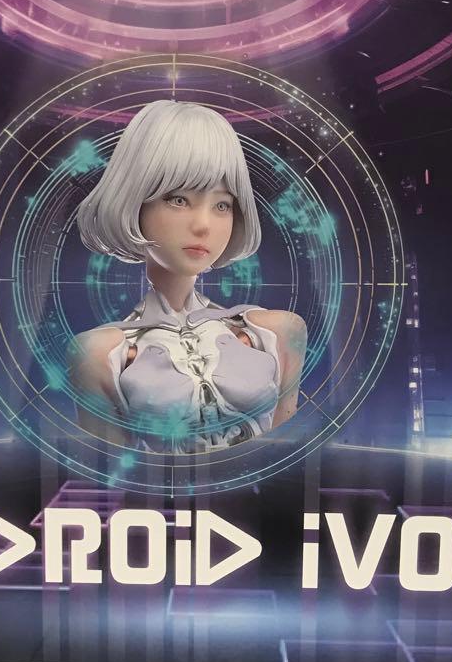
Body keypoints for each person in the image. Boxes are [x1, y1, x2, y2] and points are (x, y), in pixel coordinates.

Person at [68, 99, 306, 453]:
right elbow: (115, 473)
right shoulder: (99, 352)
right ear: (135, 202)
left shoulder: (278, 331)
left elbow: (284, 457)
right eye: (178, 199)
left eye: (222, 205)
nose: (203, 224)